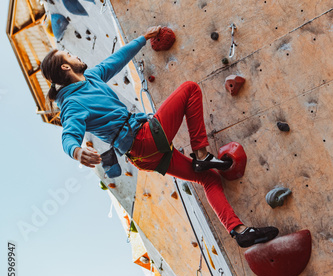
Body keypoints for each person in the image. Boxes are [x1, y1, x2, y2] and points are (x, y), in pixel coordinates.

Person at [41, 26, 278, 248]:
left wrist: (143, 39)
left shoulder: (92, 77)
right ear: (65, 67)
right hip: (143, 138)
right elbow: (68, 134)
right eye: (69, 55)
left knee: (209, 179)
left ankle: (238, 231)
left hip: (144, 157)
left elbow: (117, 60)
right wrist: (77, 151)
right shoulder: (71, 103)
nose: (75, 56)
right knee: (190, 89)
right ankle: (202, 154)